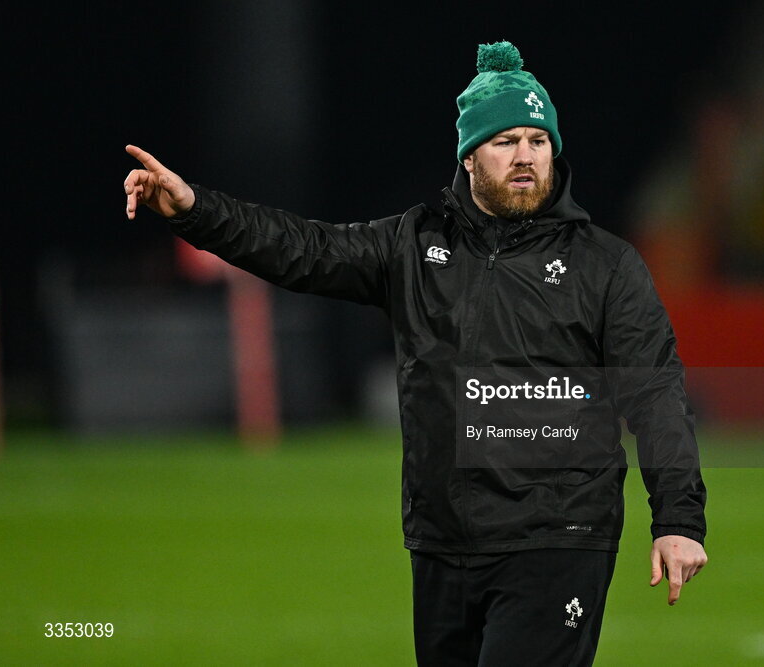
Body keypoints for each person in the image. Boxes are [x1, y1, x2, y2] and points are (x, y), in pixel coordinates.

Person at [123, 41, 706, 666]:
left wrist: (678, 518)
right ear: (470, 156)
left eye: (538, 141)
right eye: (505, 141)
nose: (525, 157)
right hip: (442, 542)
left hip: (558, 537)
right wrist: (195, 210)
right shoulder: (411, 244)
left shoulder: (605, 265)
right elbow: (301, 249)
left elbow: (654, 392)